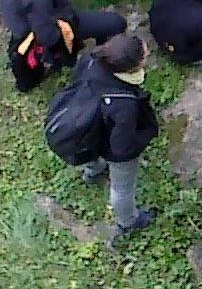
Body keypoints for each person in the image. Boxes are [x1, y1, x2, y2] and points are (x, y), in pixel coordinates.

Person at [54, 33, 160, 236]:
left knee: (88, 141)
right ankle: (128, 221)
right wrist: (146, 135)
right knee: (122, 190)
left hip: (80, 124)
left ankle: (92, 172)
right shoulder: (124, 105)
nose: (147, 56)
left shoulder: (90, 60)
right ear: (132, 67)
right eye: (145, 56)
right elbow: (122, 148)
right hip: (109, 137)